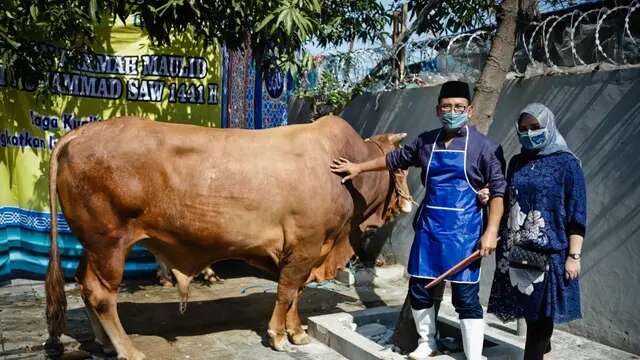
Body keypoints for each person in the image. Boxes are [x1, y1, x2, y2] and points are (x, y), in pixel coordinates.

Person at [330, 81, 506, 360]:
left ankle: (475, 355)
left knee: (465, 298)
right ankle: (428, 343)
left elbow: (498, 192)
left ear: (470, 110)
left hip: (465, 234)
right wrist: (358, 167)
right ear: (438, 109)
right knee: (420, 289)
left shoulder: (485, 148)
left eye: (459, 107)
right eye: (447, 107)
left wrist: (491, 231)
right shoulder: (426, 142)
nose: (452, 112)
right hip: (429, 229)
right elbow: (394, 160)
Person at [482, 103, 587, 360]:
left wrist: (574, 256)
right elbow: (509, 198)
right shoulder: (517, 162)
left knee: (540, 318)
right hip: (517, 252)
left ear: (548, 126)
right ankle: (544, 349)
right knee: (531, 314)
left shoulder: (567, 163)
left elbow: (577, 210)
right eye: (524, 128)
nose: (529, 133)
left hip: (549, 254)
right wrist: (490, 197)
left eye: (535, 127)